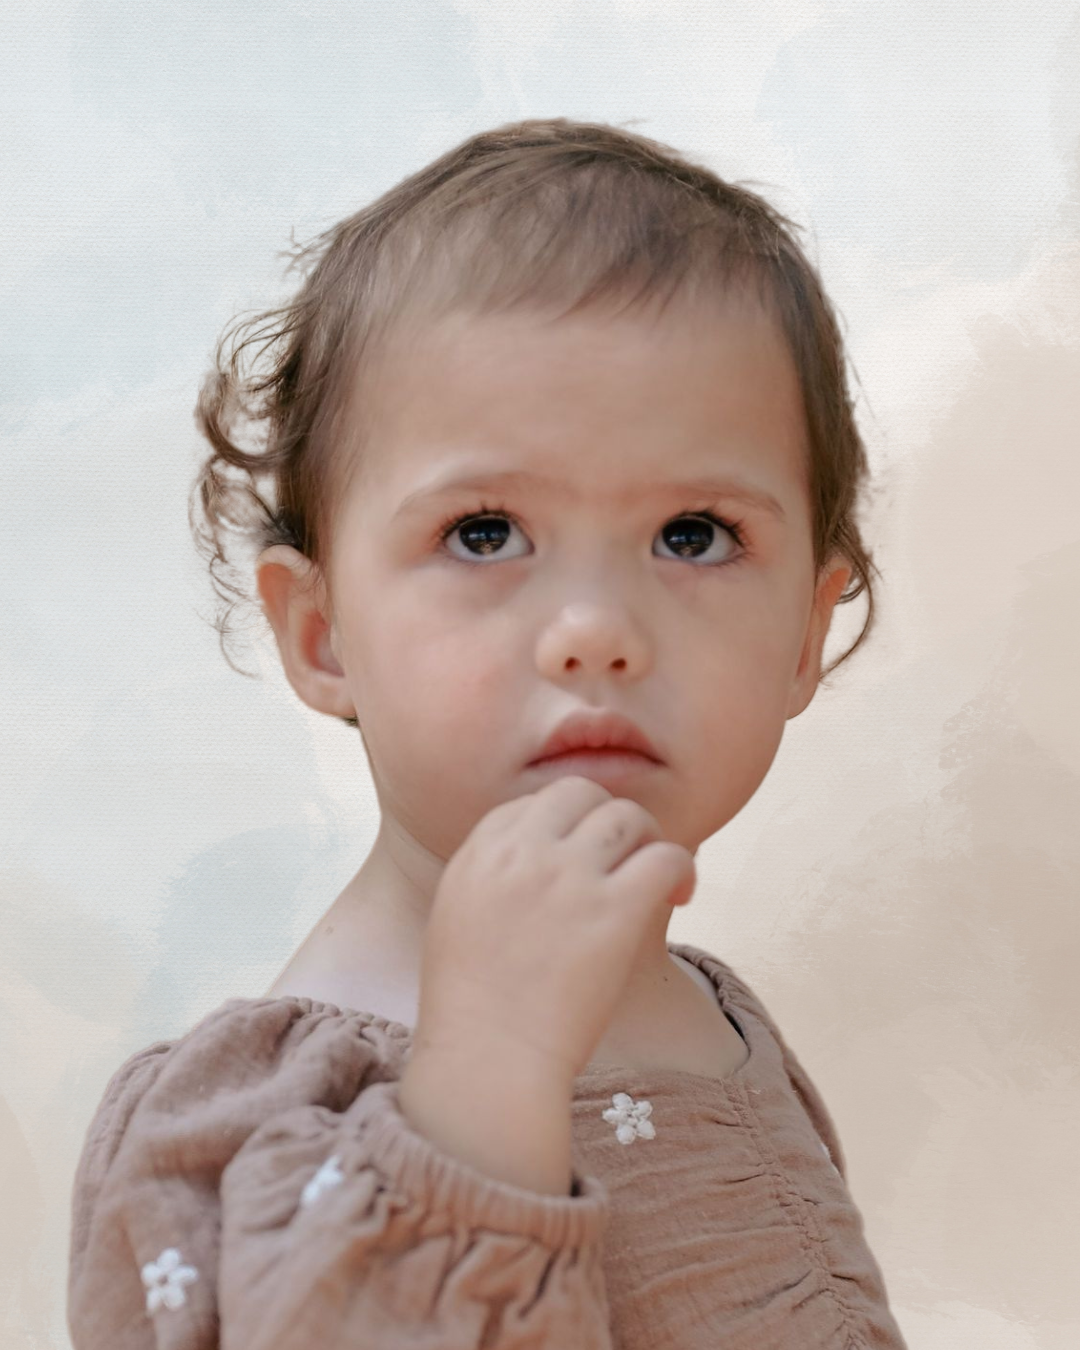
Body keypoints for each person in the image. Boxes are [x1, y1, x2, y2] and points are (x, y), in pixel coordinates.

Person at [67, 117, 909, 1348]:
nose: (596, 631)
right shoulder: (267, 1111)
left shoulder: (721, 1021)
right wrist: (487, 1078)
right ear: (323, 635)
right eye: (484, 533)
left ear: (804, 636)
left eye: (693, 535)